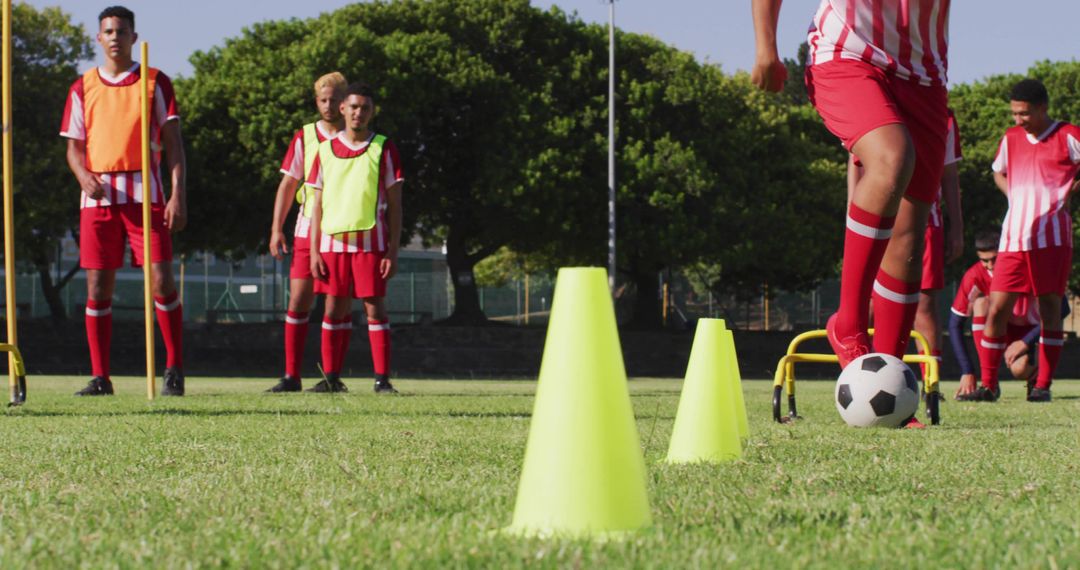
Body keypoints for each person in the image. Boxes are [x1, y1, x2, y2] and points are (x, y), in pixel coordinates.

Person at [753, 1, 952, 427]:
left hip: (924, 74)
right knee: (892, 159)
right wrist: (766, 47)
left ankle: (891, 379)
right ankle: (849, 325)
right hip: (847, 54)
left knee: (910, 231)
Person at [60, 6, 187, 396]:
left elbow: (174, 146)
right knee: (98, 286)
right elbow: (73, 148)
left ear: (134, 37)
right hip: (98, 198)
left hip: (145, 193)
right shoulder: (83, 86)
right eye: (108, 31)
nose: (115, 37)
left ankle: (174, 368)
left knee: (161, 281)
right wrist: (83, 176)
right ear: (99, 38)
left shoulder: (155, 81)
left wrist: (178, 194)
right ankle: (101, 377)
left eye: (122, 31)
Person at [969, 79, 1080, 402]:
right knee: (996, 308)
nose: (1018, 120)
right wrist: (1014, 196)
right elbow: (998, 171)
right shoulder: (1011, 137)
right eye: (1015, 113)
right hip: (1014, 237)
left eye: (1025, 113)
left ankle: (1043, 385)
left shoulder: (1067, 134)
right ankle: (989, 385)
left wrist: (1072, 191)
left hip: (1053, 239)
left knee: (1048, 308)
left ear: (1043, 107)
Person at [849, 110, 964, 376]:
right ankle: (858, 372)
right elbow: (855, 166)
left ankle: (929, 379)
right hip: (877, 220)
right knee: (867, 302)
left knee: (923, 304)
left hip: (925, 223)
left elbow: (949, 174)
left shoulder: (942, 116)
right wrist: (851, 213)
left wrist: (956, 226)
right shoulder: (869, 107)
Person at [306, 83, 403, 393]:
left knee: (374, 308)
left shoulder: (383, 147)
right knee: (333, 308)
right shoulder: (324, 149)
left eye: (365, 107)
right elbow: (316, 204)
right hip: (332, 244)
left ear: (372, 111)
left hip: (372, 244)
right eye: (354, 107)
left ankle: (382, 380)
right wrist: (313, 251)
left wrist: (393, 251)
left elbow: (396, 205)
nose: (359, 112)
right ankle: (331, 378)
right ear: (343, 109)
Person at [264, 72, 347, 393]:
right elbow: (288, 184)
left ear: (345, 102)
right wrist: (276, 229)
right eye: (323, 100)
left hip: (341, 231)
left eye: (335, 100)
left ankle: (332, 376)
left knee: (335, 305)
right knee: (299, 300)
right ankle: (291, 376)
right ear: (317, 102)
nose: (329, 106)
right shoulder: (305, 136)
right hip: (306, 228)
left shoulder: (357, 137)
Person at [949, 231, 1049, 399]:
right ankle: (990, 384)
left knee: (1020, 369)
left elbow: (1061, 310)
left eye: (994, 259)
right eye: (984, 260)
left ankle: (1036, 378)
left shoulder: (1027, 267)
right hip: (996, 331)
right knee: (981, 303)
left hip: (1027, 332)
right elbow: (955, 324)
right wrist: (967, 370)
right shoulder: (974, 276)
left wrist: (1025, 342)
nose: (990, 265)